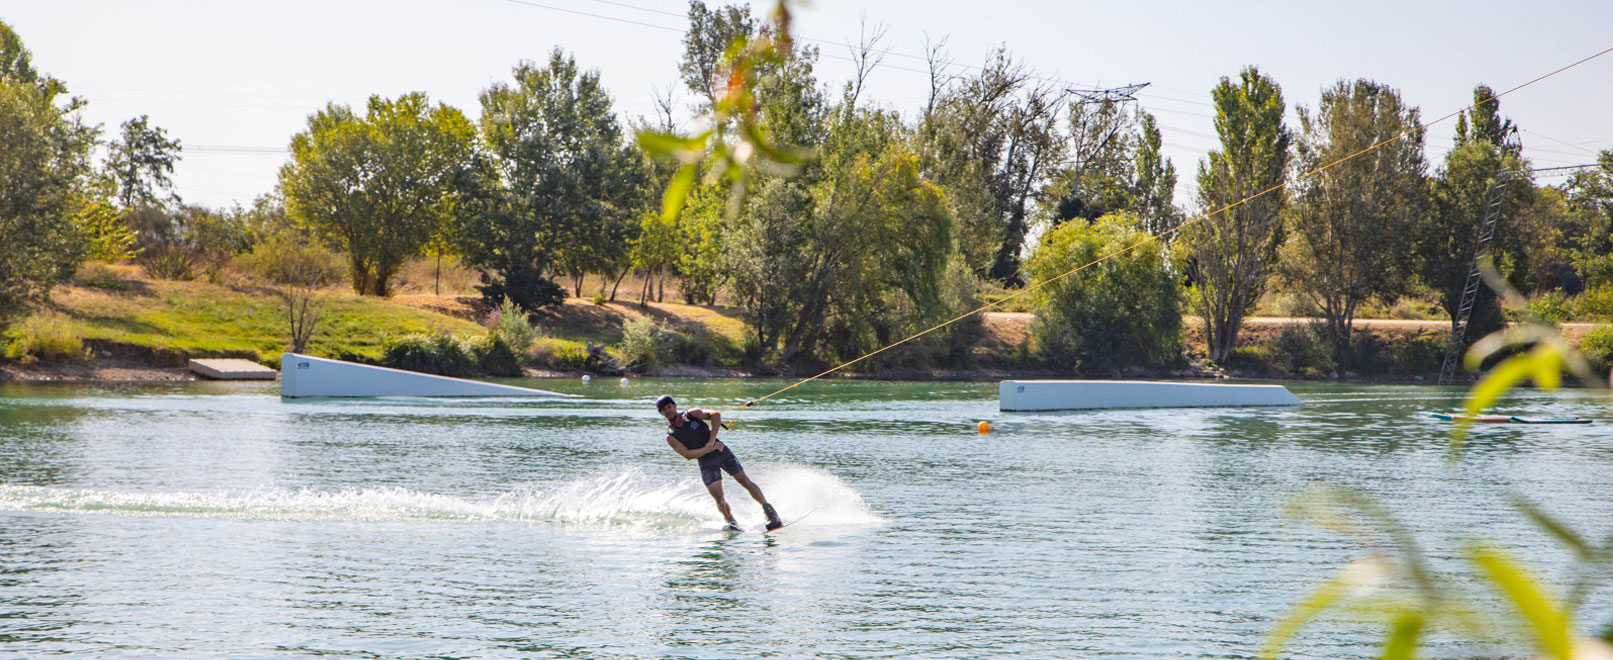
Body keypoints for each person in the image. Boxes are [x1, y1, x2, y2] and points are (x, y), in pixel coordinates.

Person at [656, 394, 783, 531]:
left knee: (744, 480)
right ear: (661, 413)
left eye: (669, 407)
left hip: (722, 452)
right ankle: (732, 522)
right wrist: (706, 449)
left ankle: (771, 513)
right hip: (706, 462)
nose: (668, 410)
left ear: (675, 406)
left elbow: (715, 415)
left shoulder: (691, 414)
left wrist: (712, 440)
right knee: (718, 497)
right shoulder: (671, 435)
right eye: (664, 409)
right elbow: (687, 454)